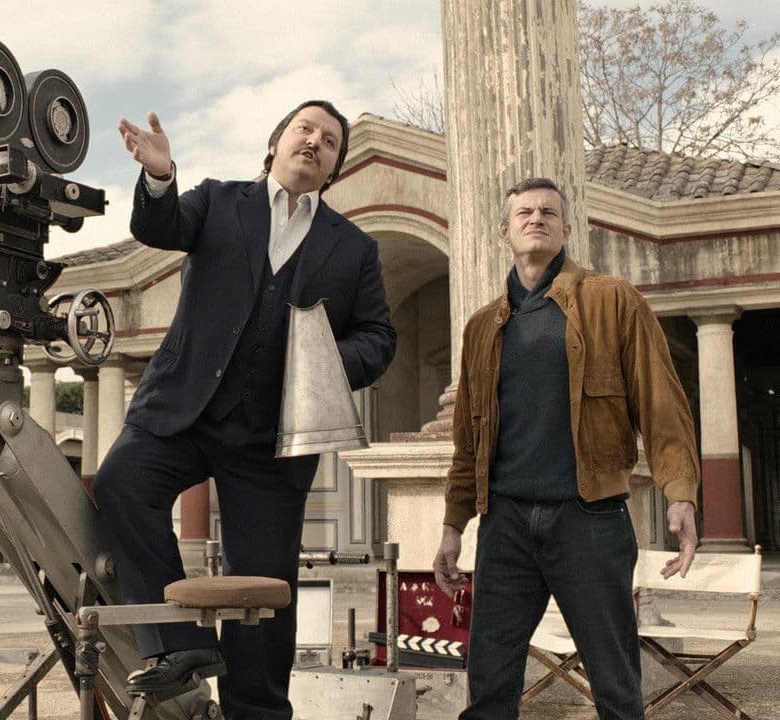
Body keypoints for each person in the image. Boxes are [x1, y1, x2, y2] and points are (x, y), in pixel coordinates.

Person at [94, 101, 395, 719]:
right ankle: (180, 645)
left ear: (335, 166)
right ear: (276, 141)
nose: (315, 142)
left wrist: (320, 356)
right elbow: (159, 226)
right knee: (122, 481)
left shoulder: (354, 248)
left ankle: (257, 713)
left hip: (273, 440)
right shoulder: (217, 200)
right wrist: (159, 175)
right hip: (183, 411)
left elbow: (379, 338)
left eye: (330, 141)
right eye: (304, 129)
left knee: (262, 590)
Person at [432, 177, 701, 720]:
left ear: (567, 229)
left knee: (615, 685)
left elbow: (661, 403)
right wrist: (453, 524)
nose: (536, 218)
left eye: (548, 212)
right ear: (504, 231)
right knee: (489, 685)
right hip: (505, 522)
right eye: (524, 212)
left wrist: (680, 494)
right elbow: (469, 438)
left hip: (589, 518)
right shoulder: (482, 327)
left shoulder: (612, 300)